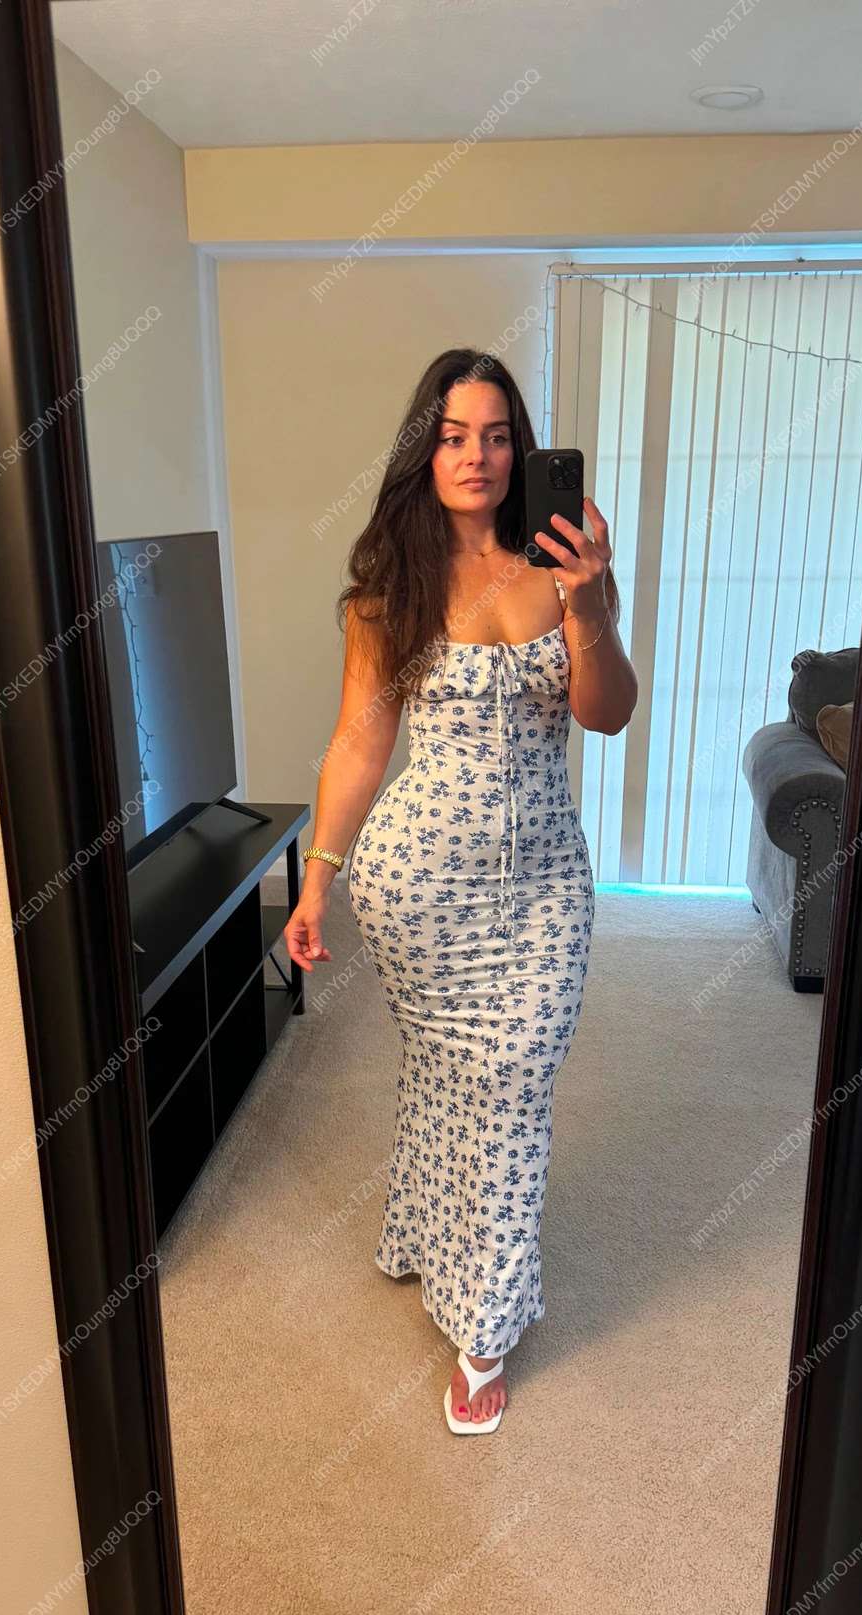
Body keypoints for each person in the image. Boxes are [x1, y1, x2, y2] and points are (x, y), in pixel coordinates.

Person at [284, 347, 637, 1434]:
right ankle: (433, 1246)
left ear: (522, 450)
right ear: (424, 451)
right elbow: (360, 743)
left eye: (494, 435)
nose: (475, 455)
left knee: (512, 1079)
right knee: (452, 1075)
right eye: (452, 436)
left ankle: (481, 1322)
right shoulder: (389, 589)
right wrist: (317, 878)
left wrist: (588, 601)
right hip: (419, 884)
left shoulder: (569, 564)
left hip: (545, 885)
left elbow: (608, 713)